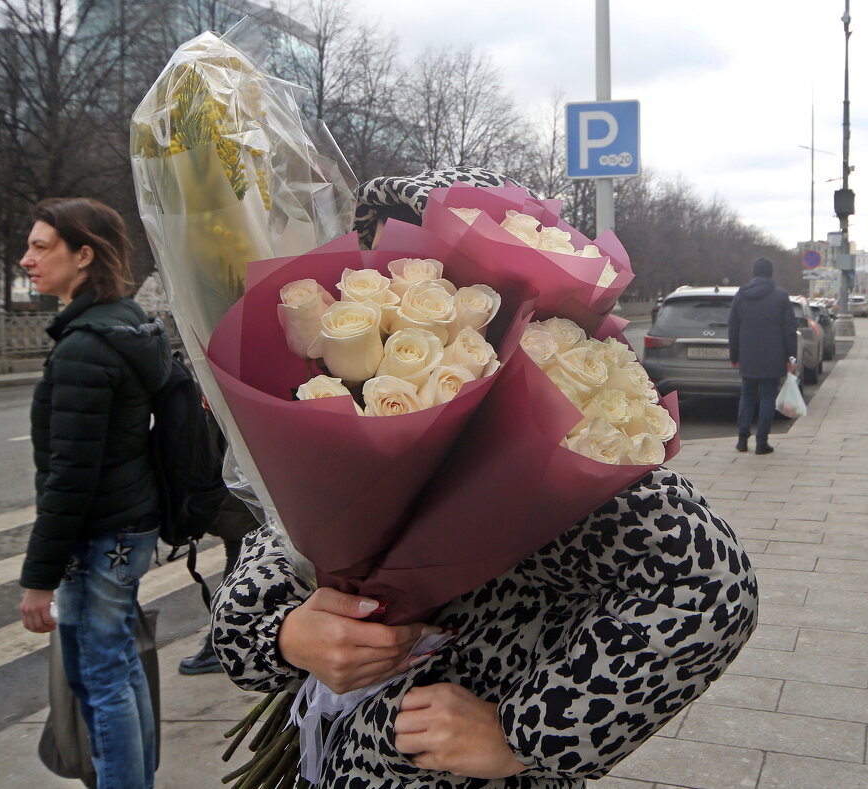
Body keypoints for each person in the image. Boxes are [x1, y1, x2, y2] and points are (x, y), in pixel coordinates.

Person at [210, 168, 760, 788]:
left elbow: (709, 584)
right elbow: (286, 535)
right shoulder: (341, 391)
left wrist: (528, 735)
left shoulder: (557, 437)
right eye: (379, 249)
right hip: (327, 750)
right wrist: (285, 635)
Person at [18, 198, 171, 789]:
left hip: (102, 529)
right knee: (117, 667)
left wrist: (39, 578)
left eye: (41, 247)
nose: (27, 258)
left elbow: (71, 477)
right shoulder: (123, 325)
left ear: (84, 256)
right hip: (126, 522)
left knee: (101, 675)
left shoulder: (86, 348)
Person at [177, 409, 259, 675]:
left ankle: (222, 642)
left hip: (239, 492)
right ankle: (223, 640)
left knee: (239, 565)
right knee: (239, 560)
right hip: (234, 491)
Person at [729, 257, 798, 455]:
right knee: (768, 397)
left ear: (753, 272)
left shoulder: (741, 296)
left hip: (748, 356)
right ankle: (762, 442)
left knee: (747, 395)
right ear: (770, 273)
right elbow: (789, 330)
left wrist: (734, 355)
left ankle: (742, 439)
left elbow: (733, 328)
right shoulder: (780, 297)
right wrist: (791, 358)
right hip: (773, 357)